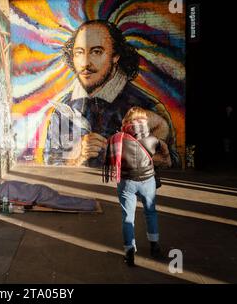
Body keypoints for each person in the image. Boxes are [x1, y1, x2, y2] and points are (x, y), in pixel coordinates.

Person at [44, 20, 179, 168]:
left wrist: (153, 162)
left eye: (96, 52)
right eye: (79, 53)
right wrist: (76, 159)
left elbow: (175, 165)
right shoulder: (63, 109)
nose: (85, 63)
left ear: (116, 56)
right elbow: (50, 164)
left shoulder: (148, 106)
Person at [102, 107, 171, 266]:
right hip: (148, 182)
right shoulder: (152, 140)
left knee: (128, 218)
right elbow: (164, 151)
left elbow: (107, 153)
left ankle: (129, 252)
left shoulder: (116, 139)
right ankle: (154, 246)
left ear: (126, 122)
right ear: (145, 123)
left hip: (127, 183)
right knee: (151, 212)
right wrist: (166, 159)